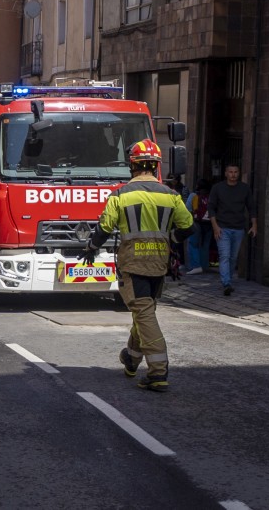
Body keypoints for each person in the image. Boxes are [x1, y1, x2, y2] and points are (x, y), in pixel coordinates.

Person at [80, 139, 193, 393]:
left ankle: (158, 371)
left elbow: (105, 228)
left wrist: (91, 249)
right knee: (144, 311)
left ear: (133, 166)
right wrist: (171, 239)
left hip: (133, 264)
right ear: (155, 166)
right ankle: (132, 358)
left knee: (144, 313)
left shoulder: (120, 195)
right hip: (159, 265)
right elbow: (189, 228)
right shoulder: (171, 196)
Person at [207, 164, 257, 296]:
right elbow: (211, 208)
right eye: (230, 172)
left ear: (239, 173)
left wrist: (254, 224)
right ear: (225, 173)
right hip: (222, 228)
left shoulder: (244, 189)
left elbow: (251, 207)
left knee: (233, 257)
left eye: (235, 172)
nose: (233, 174)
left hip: (239, 228)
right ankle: (226, 283)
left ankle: (227, 279)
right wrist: (215, 226)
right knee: (224, 256)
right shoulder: (218, 188)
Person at [185, 179, 213, 275]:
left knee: (193, 244)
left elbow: (187, 209)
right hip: (209, 223)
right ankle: (204, 266)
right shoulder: (212, 196)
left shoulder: (193, 195)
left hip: (196, 222)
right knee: (205, 245)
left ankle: (195, 266)